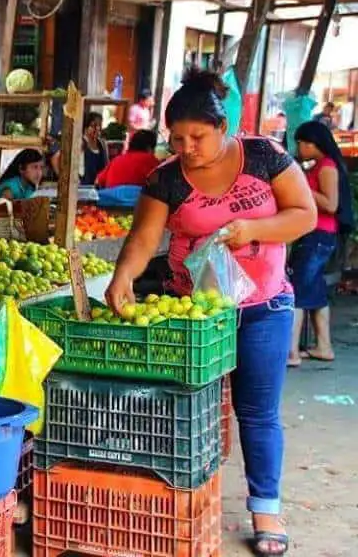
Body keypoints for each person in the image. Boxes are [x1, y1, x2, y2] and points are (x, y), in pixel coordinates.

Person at [104, 70, 316, 557]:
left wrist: (252, 229)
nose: (188, 147)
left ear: (223, 129)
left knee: (257, 413)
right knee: (189, 410)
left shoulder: (263, 155)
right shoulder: (166, 178)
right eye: (177, 138)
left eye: (197, 137)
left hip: (263, 305)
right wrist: (123, 277)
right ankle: (181, 500)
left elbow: (303, 214)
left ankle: (266, 510)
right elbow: (142, 239)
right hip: (195, 315)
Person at [287, 121, 354, 366]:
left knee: (295, 291)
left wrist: (302, 185)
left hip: (318, 235)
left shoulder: (327, 167)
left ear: (314, 143)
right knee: (315, 292)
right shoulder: (320, 166)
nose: (300, 148)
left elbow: (330, 204)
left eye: (302, 143)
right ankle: (323, 346)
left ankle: (291, 352)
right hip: (318, 235)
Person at [95, 130, 161, 189]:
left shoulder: (117, 159)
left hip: (108, 201)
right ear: (149, 148)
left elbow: (98, 181)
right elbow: (158, 183)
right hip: (136, 202)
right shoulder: (150, 159)